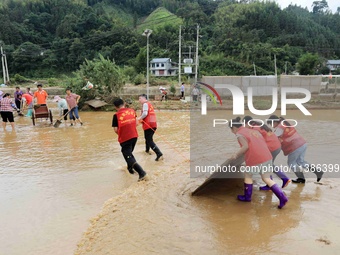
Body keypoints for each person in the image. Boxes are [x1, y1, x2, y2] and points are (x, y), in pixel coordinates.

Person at [230, 117, 288, 209]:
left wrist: (235, 155)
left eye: (231, 130)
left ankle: (247, 197)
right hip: (267, 156)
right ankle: (283, 198)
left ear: (233, 127)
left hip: (256, 158)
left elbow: (245, 147)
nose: (232, 132)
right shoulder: (252, 130)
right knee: (267, 178)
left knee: (248, 175)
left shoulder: (239, 134)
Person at [267, 115, 323, 183]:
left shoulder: (280, 128)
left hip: (295, 147)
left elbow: (273, 138)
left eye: (271, 123)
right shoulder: (284, 122)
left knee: (291, 163)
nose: (271, 125)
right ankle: (317, 172)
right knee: (300, 162)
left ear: (274, 122)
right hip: (302, 143)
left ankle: (301, 178)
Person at [243, 116, 291, 190]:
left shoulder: (255, 128)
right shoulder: (258, 125)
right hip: (276, 146)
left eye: (244, 124)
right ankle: (273, 182)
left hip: (271, 147)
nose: (244, 127)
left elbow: (255, 141)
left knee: (267, 165)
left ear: (247, 123)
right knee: (268, 166)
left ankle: (283, 179)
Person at [112, 98, 147, 181]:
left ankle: (142, 173)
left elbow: (116, 130)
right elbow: (136, 123)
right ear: (124, 104)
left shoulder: (116, 115)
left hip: (125, 138)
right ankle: (130, 169)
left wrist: (122, 134)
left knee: (128, 155)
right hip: (134, 136)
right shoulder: (132, 111)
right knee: (129, 154)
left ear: (115, 107)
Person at [137, 94, 163, 161]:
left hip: (149, 125)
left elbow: (145, 113)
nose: (139, 100)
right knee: (147, 138)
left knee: (149, 140)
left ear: (144, 98)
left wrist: (138, 118)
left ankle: (159, 153)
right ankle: (147, 151)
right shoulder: (149, 104)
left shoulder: (145, 104)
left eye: (140, 98)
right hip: (153, 124)